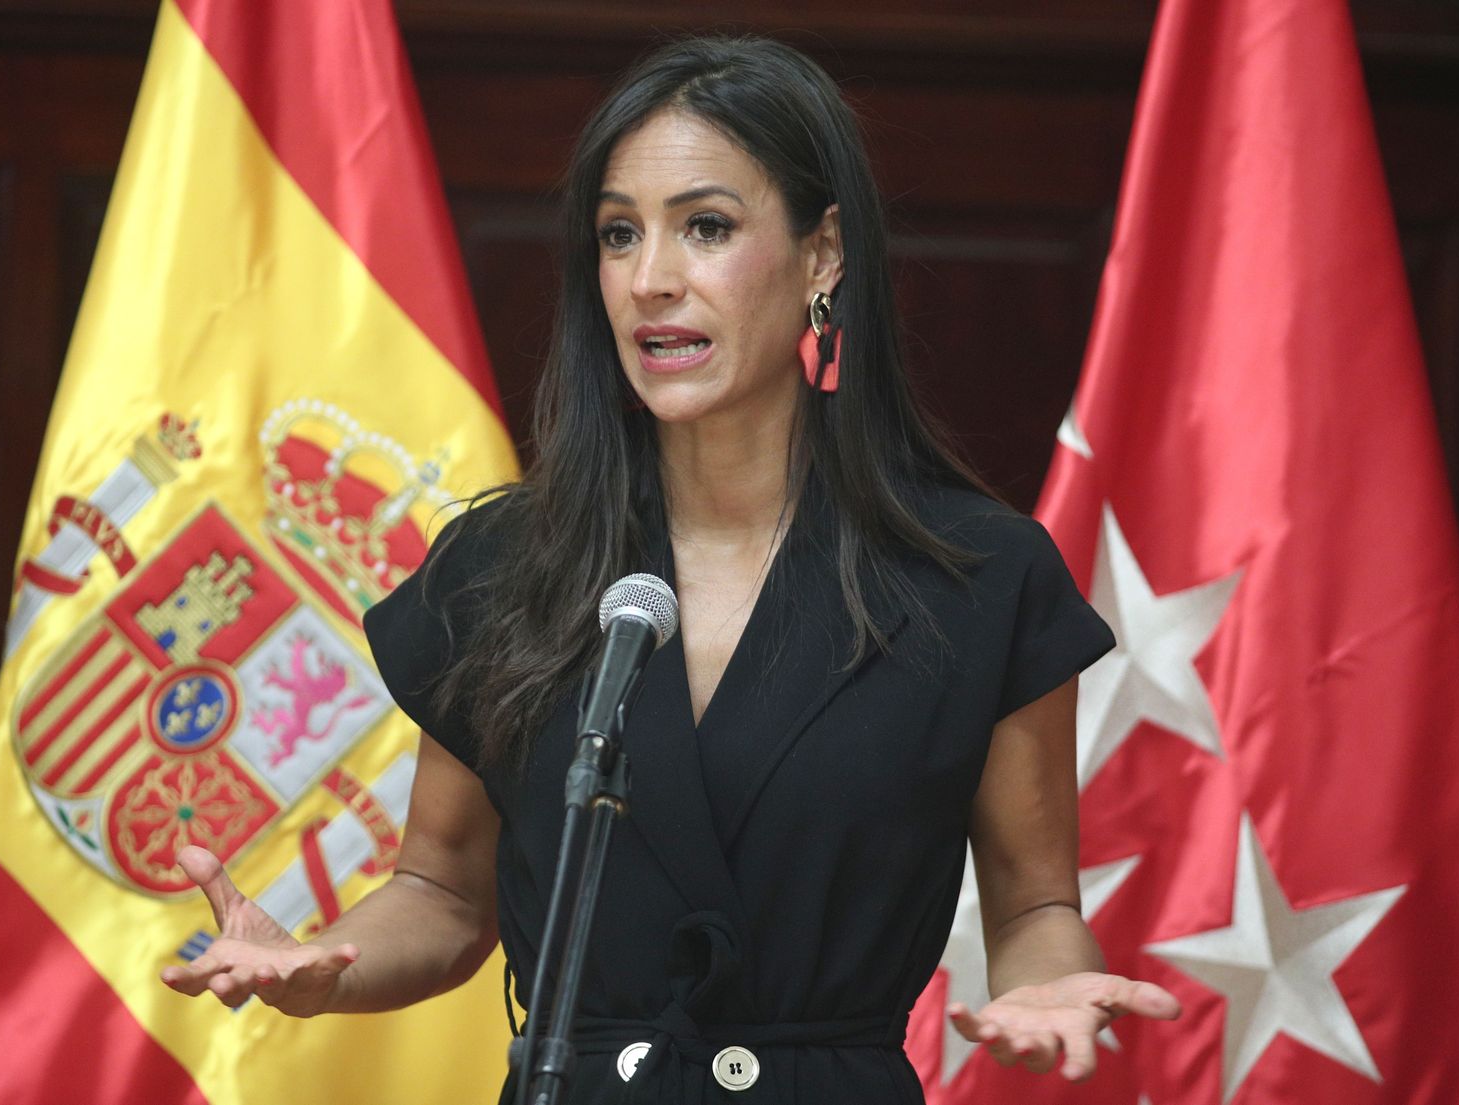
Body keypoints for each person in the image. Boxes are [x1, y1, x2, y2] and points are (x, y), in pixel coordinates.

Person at [161, 35, 1180, 1103]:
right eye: (617, 234)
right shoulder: (503, 565)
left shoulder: (978, 577)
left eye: (706, 227)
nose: (651, 280)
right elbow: (441, 891)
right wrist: (325, 971)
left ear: (821, 254)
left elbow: (1030, 907)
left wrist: (1050, 987)